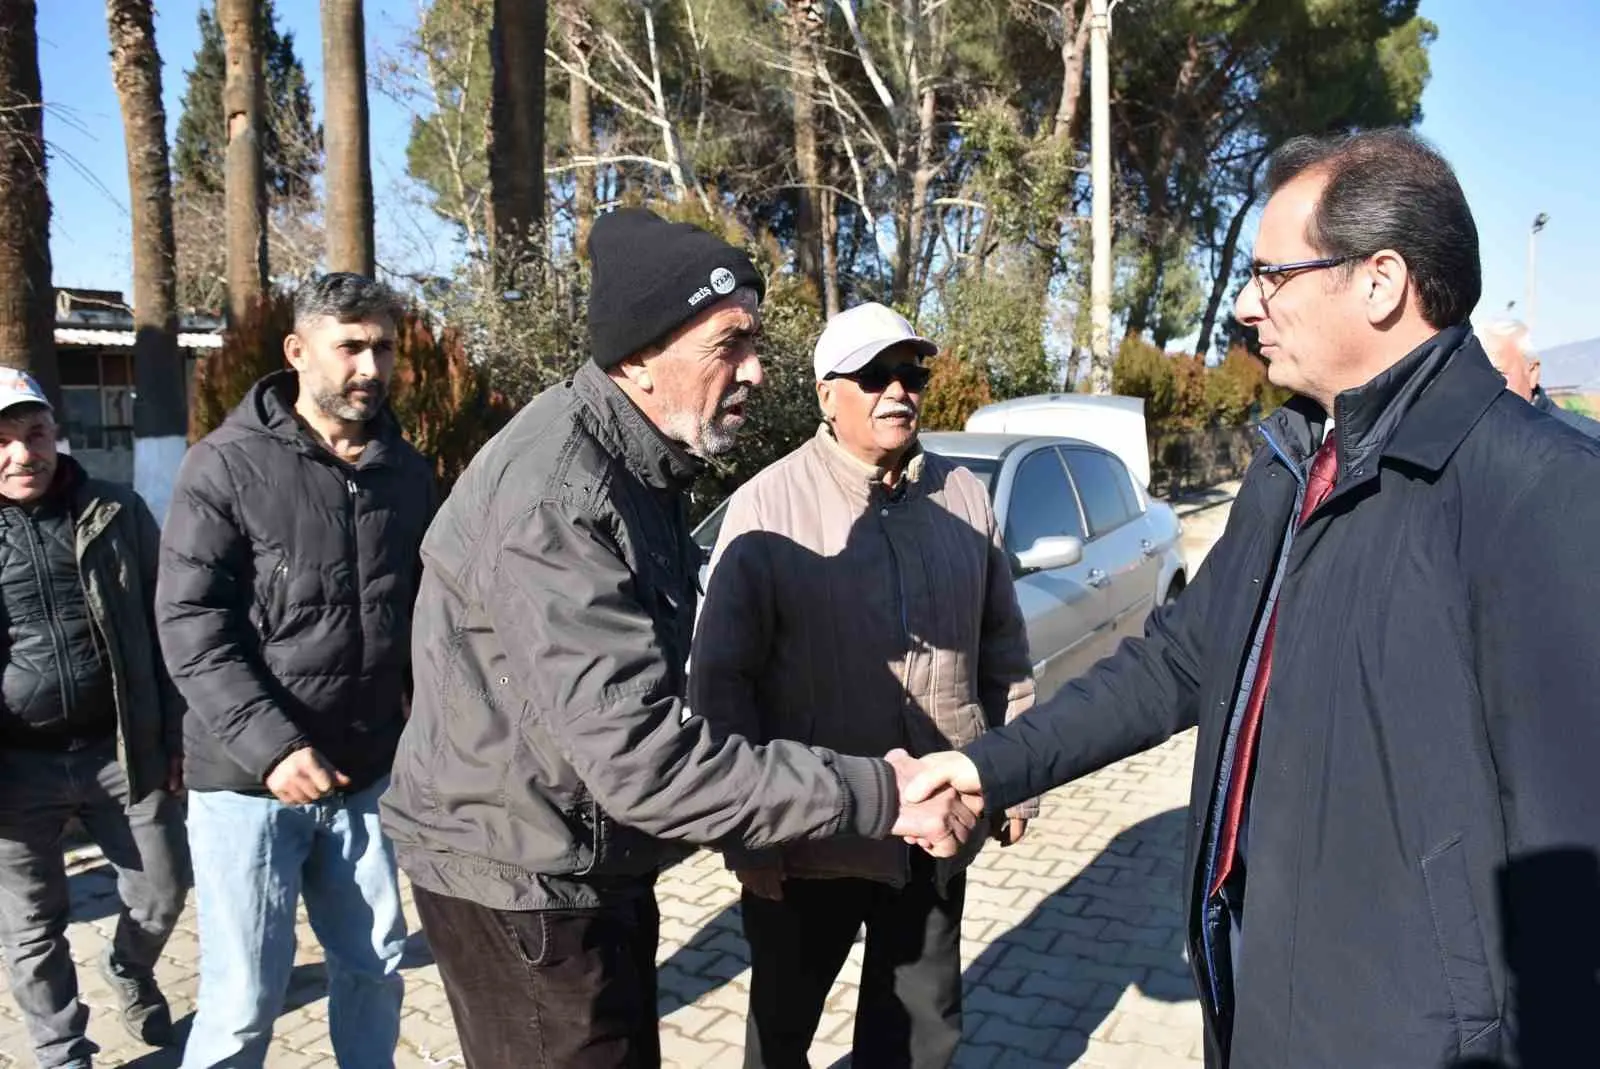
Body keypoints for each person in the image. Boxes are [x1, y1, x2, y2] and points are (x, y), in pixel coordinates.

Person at [899, 129, 1600, 1067]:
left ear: (1381, 282)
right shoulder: (1294, 463)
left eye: (1273, 275)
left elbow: (1572, 872)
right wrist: (990, 767)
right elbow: (1174, 662)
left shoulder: (1541, 491)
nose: (1243, 304)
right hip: (1254, 993)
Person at [380, 209, 977, 1069]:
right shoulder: (560, 499)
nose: (756, 369)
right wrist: (880, 791)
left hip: (584, 858)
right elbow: (646, 759)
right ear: (638, 358)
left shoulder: (637, 463)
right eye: (729, 343)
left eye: (755, 342)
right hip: (527, 884)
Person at [688, 301, 1037, 1068]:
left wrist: (1013, 780)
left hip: (936, 828)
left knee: (917, 1036)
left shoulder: (964, 496)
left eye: (911, 372)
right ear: (826, 394)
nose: (898, 389)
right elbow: (721, 685)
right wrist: (745, 835)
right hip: (809, 836)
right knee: (780, 1035)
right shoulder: (767, 507)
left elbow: (1003, 647)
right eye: (875, 375)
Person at [156, 274, 437, 1068]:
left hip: (364, 775)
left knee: (376, 968)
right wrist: (273, 748)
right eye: (350, 346)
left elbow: (428, 615)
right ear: (297, 350)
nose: (371, 367)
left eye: (384, 347)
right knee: (244, 1001)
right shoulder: (224, 466)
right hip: (248, 785)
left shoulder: (406, 473)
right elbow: (189, 623)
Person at [0, 370, 189, 1069]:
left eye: (34, 434)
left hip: (121, 750)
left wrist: (175, 735)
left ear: (57, 433)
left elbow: (168, 624)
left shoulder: (114, 510)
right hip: (15, 768)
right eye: (2, 441)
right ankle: (62, 1054)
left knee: (163, 892)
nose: (22, 454)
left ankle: (129, 967)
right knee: (31, 929)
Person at [1479, 318, 1600, 437]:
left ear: (1532, 373)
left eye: (1498, 374)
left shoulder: (1586, 439)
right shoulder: (1474, 439)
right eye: (1478, 377)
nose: (1485, 386)